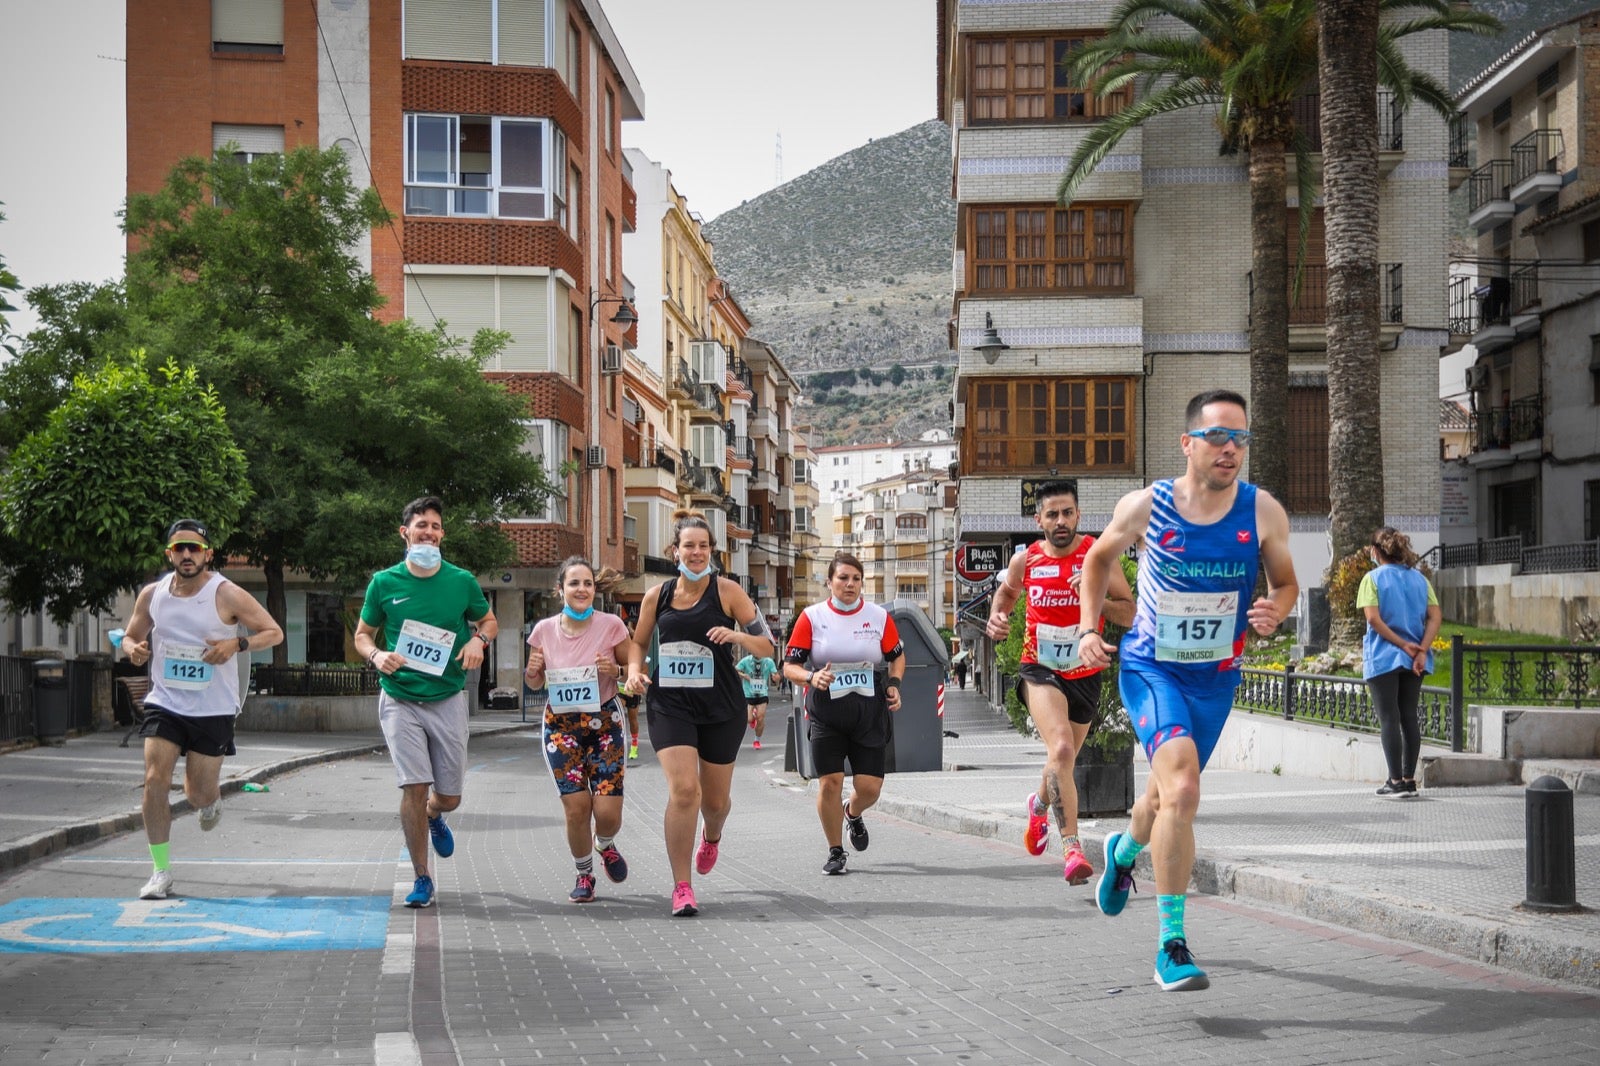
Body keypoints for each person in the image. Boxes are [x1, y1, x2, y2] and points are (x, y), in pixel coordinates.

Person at [1076, 390, 1298, 992]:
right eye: (1219, 437)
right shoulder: (1148, 505)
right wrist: (1087, 629)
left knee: (1161, 799)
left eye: (1241, 439)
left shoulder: (1263, 512)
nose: (1231, 450)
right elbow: (1096, 562)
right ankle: (1171, 945)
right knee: (1184, 787)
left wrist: (1274, 611)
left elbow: (1285, 585)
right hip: (1152, 668)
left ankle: (1122, 854)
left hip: (1215, 678)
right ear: (1188, 443)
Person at [120, 518, 285, 900]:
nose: (188, 554)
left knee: (196, 793)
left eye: (195, 548)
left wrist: (235, 646)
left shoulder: (226, 594)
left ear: (208, 554)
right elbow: (131, 635)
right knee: (154, 779)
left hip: (213, 708)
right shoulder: (152, 594)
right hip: (165, 701)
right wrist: (133, 649)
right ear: (170, 554)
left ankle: (209, 801)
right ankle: (160, 871)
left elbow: (273, 632)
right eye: (180, 548)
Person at [625, 509, 774, 917]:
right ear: (675, 550)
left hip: (721, 707)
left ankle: (713, 834)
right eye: (688, 545)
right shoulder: (657, 595)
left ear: (712, 551)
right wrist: (635, 672)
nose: (695, 552)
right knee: (685, 791)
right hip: (670, 704)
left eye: (703, 546)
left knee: (716, 801)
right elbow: (637, 644)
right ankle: (682, 886)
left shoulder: (728, 592)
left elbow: (768, 647)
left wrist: (738, 634)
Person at [986, 482, 1135, 885]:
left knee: (1061, 762)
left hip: (1085, 674)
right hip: (1040, 668)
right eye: (1052, 514)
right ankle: (1072, 849)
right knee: (1063, 748)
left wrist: (1096, 598)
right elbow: (1006, 594)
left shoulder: (1097, 556)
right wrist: (997, 618)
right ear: (1039, 520)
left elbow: (1130, 613)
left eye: (1067, 512)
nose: (1061, 521)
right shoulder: (1027, 560)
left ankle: (1037, 806)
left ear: (1078, 515)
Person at [353, 496, 497, 910]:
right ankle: (422, 877)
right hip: (399, 697)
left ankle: (437, 814)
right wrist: (376, 655)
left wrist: (478, 640)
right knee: (413, 786)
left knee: (449, 796)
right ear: (405, 533)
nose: (429, 532)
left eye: (435, 526)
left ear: (442, 535)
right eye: (421, 526)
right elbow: (362, 634)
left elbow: (488, 621)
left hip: (447, 698)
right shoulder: (384, 582)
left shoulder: (461, 580)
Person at [782, 552, 906, 876]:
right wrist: (810, 677)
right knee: (830, 782)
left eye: (855, 579)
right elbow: (789, 666)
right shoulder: (812, 617)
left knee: (870, 788)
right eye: (843, 578)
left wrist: (894, 683)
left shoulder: (878, 617)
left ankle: (852, 812)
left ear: (862, 583)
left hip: (868, 713)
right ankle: (835, 851)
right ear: (829, 582)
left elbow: (897, 656)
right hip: (826, 712)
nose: (850, 584)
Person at [525, 557, 639, 902]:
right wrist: (533, 670)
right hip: (561, 725)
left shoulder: (611, 626)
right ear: (560, 589)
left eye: (587, 583)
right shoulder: (543, 630)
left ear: (594, 589)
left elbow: (630, 671)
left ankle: (605, 843)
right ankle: (584, 873)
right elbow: (534, 683)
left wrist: (615, 670)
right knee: (576, 807)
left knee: (607, 813)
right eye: (574, 583)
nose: (582, 589)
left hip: (603, 721)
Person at [1359, 527, 1441, 799]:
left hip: (1384, 657)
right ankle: (1408, 780)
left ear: (1376, 551)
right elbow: (1435, 617)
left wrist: (1400, 643)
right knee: (1409, 717)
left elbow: (1373, 619)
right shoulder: (1420, 580)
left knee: (1389, 719)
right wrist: (1420, 650)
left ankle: (1394, 780)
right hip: (1415, 660)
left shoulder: (1372, 579)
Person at [735, 650, 780, 749]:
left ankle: (757, 740)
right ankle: (752, 717)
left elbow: (776, 675)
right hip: (748, 694)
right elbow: (735, 670)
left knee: (760, 718)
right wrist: (744, 676)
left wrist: (775, 677)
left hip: (762, 694)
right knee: (748, 719)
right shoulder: (746, 661)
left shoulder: (768, 661)